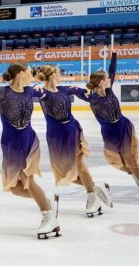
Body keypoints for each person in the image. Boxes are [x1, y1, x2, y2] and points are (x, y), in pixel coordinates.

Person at [0, 63, 58, 239]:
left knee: (28, 180)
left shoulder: (30, 91)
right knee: (15, 188)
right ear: (20, 74)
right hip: (10, 145)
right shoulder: (3, 92)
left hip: (28, 141)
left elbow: (52, 93)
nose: (33, 75)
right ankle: (46, 201)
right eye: (30, 72)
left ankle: (49, 217)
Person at [73, 52, 139, 200]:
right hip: (109, 133)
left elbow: (112, 70)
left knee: (130, 158)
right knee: (116, 162)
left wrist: (114, 55)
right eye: (107, 78)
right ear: (101, 81)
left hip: (123, 126)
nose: (110, 79)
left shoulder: (109, 91)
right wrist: (72, 89)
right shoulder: (93, 99)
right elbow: (77, 93)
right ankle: (135, 174)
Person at [35, 65, 112, 217]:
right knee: (64, 174)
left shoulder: (65, 89)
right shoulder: (42, 93)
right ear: (52, 75)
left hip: (71, 131)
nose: (61, 75)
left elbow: (87, 93)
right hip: (55, 136)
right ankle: (96, 187)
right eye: (59, 72)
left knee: (79, 164)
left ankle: (92, 197)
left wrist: (98, 92)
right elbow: (27, 93)